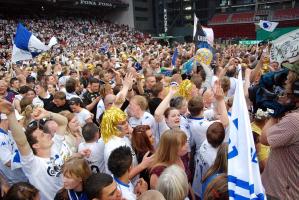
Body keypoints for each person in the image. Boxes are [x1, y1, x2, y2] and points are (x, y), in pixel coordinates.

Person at [0, 99, 68, 200]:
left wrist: (47, 114)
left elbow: (63, 122)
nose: (48, 134)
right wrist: (11, 114)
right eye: (42, 135)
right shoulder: (32, 163)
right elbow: (21, 142)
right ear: (35, 145)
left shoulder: (54, 147)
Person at [260, 61, 299, 199]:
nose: (285, 81)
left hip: (280, 193)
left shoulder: (294, 121)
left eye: (288, 79)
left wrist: (275, 115)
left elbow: (263, 138)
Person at [101, 107, 153, 184]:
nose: (127, 124)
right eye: (122, 123)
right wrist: (143, 165)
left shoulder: (122, 137)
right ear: (112, 127)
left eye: (126, 121)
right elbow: (121, 179)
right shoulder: (114, 148)